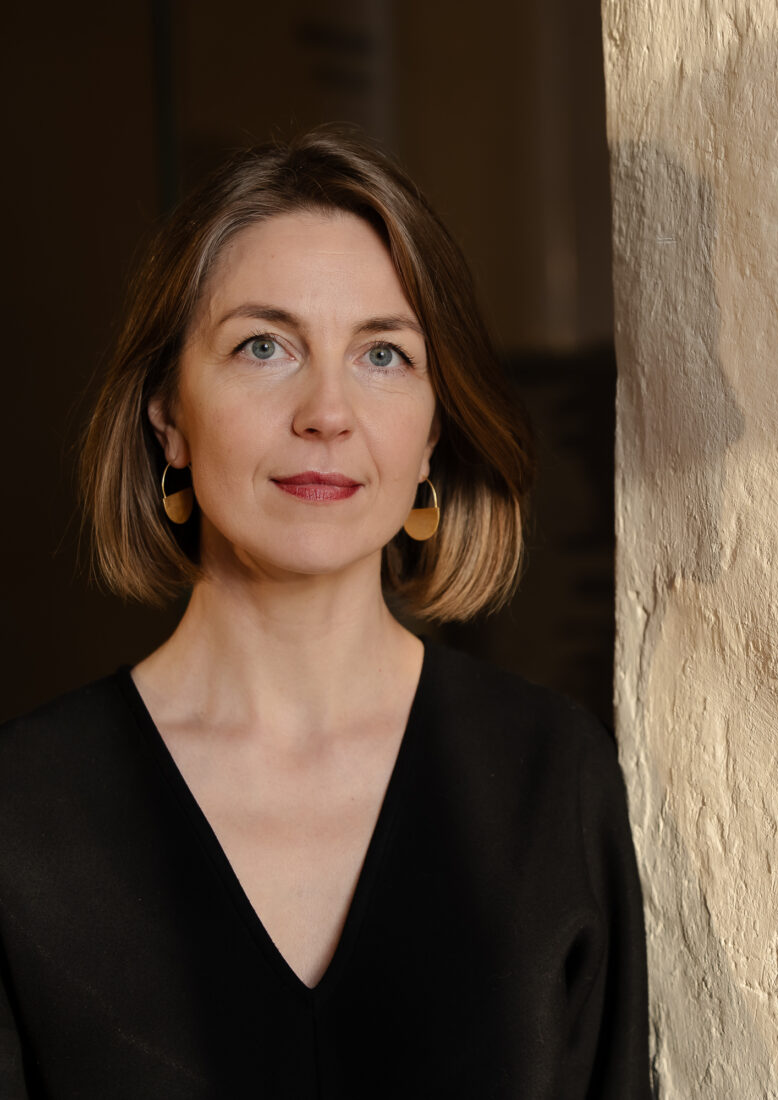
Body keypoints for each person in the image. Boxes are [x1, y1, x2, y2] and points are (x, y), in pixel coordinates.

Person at [0, 129, 651, 1098]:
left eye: (383, 354)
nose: (327, 412)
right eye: (263, 346)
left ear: (431, 431)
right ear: (168, 415)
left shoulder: (550, 779)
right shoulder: (22, 807)